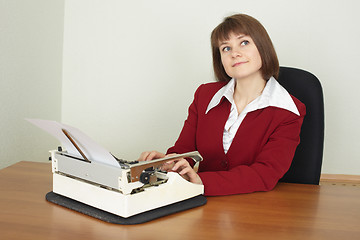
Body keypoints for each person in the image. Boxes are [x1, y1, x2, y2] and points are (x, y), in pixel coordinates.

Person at [138, 13, 306, 196]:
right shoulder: (204, 95)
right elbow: (184, 151)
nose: (235, 53)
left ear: (262, 47)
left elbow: (265, 173)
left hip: (254, 206)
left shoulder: (289, 111)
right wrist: (169, 162)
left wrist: (200, 182)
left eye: (244, 43)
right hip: (203, 205)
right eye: (226, 48)